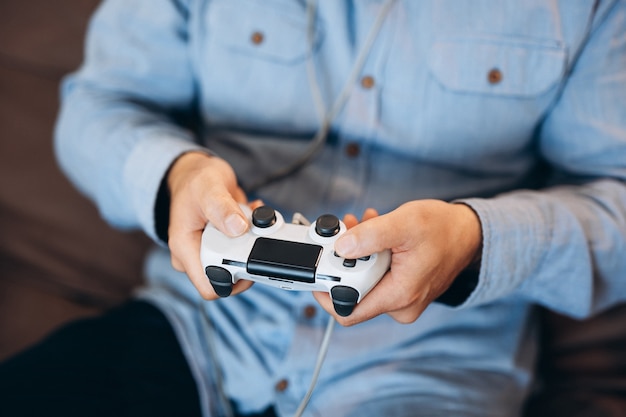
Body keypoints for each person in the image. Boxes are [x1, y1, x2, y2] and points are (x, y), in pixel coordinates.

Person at [1, 0, 625, 416]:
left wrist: (472, 240)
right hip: (200, 332)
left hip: (428, 368)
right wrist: (177, 175)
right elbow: (98, 105)